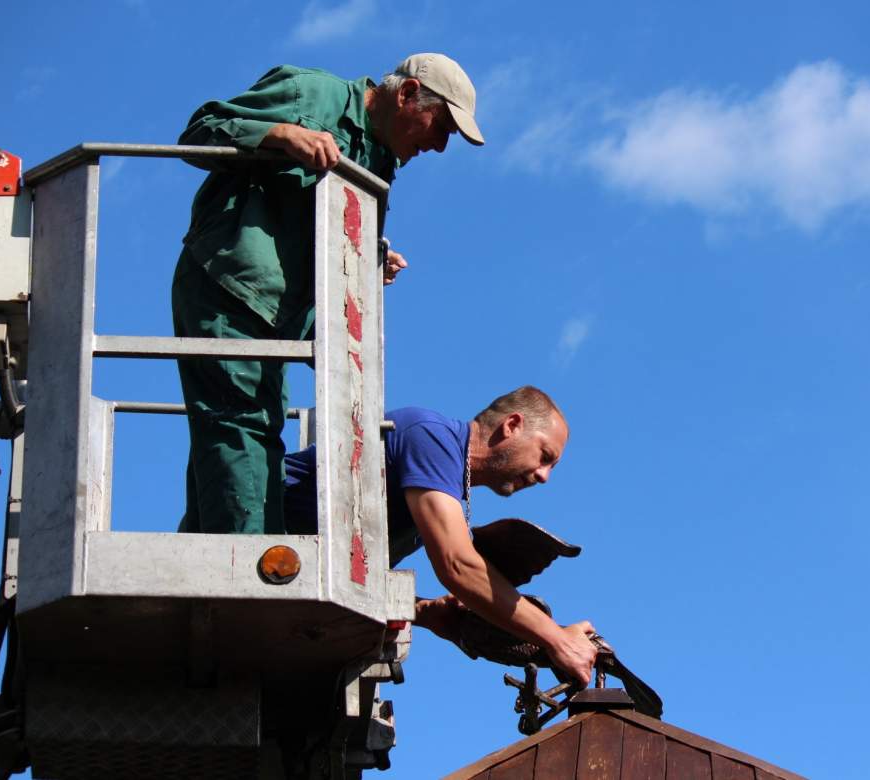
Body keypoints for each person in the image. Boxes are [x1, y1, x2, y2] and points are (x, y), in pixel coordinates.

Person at [173, 54, 484, 535]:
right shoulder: (312, 93)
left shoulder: (379, 163)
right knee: (240, 425)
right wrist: (279, 136)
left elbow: (327, 234)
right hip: (230, 288)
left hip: (283, 314)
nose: (440, 146)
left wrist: (371, 258)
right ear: (406, 95)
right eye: (441, 125)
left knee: (249, 429)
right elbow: (200, 131)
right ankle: (246, 564)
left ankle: (206, 555)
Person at [282, 385, 599, 685]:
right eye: (545, 456)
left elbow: (352, 581)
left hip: (301, 578)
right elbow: (458, 566)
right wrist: (557, 639)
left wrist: (423, 612)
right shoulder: (432, 436)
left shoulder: (440, 486)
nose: (544, 476)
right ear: (512, 424)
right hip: (261, 532)